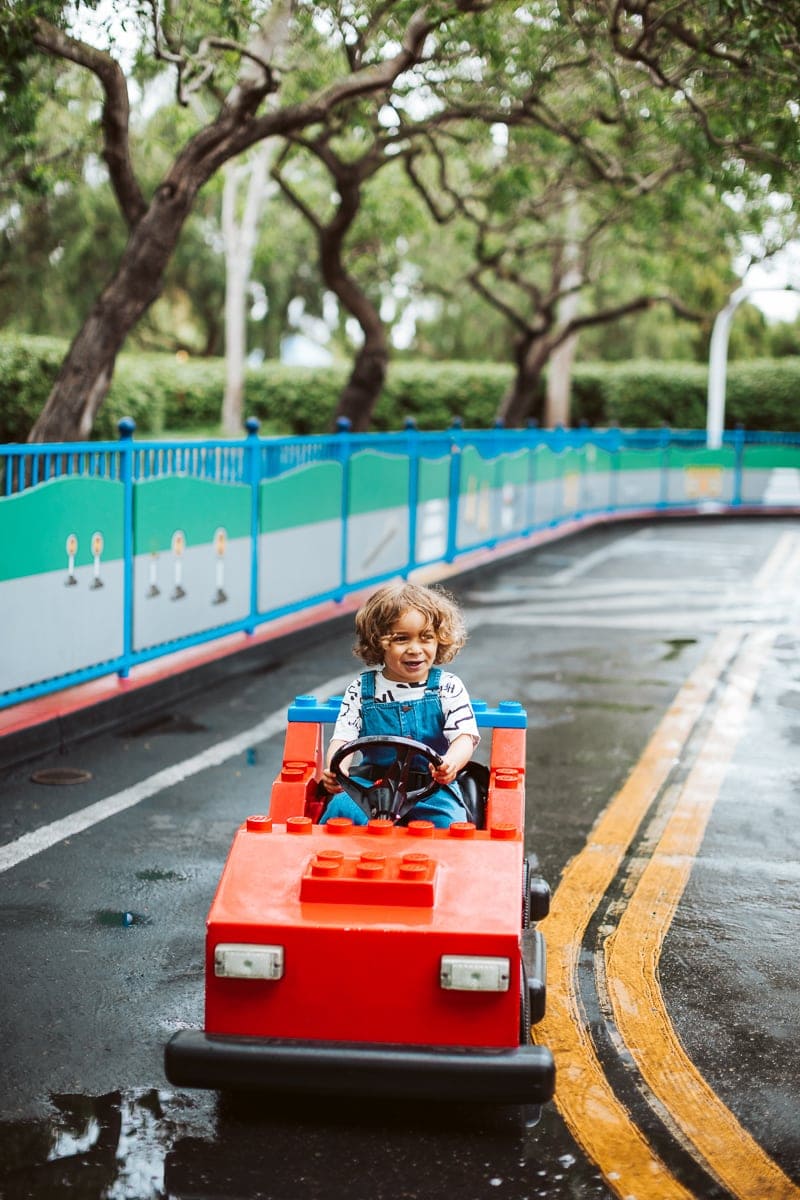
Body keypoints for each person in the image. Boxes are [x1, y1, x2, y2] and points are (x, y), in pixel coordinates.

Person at [320, 581, 479, 827]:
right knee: (341, 812)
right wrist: (336, 770)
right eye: (401, 639)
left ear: (439, 640)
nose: (415, 649)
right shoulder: (360, 690)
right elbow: (343, 739)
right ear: (377, 642)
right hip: (371, 786)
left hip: (430, 786)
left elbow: (464, 737)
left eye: (426, 638)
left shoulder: (448, 687)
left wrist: (451, 763)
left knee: (449, 825)